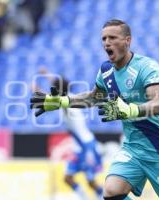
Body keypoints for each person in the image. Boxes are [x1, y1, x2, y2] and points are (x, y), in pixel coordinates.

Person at [30, 19, 159, 200]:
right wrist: (62, 101)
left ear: (127, 41)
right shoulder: (106, 71)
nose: (106, 43)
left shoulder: (146, 66)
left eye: (112, 37)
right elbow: (94, 97)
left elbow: (158, 103)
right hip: (132, 148)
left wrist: (131, 110)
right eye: (103, 39)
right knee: (110, 192)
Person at [32, 68, 103, 200]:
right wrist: (46, 74)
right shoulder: (69, 95)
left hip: (86, 146)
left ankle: (103, 197)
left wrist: (37, 89)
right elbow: (59, 84)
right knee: (68, 178)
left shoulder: (66, 101)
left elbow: (53, 95)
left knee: (91, 182)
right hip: (79, 147)